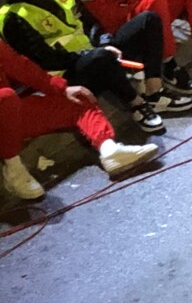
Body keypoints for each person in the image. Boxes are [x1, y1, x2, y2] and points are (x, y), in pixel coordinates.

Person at [0, 0, 188, 129]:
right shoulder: (14, 18)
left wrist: (105, 42)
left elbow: (91, 23)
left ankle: (155, 91)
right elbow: (44, 60)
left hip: (92, 53)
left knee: (149, 19)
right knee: (100, 57)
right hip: (65, 74)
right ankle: (138, 106)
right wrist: (94, 53)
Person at [0, 32, 158, 199]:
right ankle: (14, 170)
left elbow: (20, 66)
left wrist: (62, 88)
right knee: (6, 97)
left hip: (10, 110)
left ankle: (110, 151)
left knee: (79, 99)